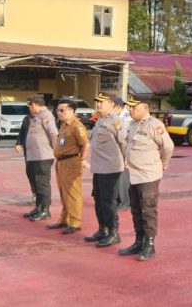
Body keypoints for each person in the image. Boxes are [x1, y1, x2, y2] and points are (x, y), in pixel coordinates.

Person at [118, 96, 174, 261]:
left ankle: (150, 245)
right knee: (135, 209)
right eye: (130, 107)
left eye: (134, 107)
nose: (131, 110)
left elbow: (168, 146)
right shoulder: (133, 124)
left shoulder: (154, 125)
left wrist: (163, 164)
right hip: (134, 175)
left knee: (148, 210)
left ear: (145, 107)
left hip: (148, 175)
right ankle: (139, 242)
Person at [85, 93, 127, 247]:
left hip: (111, 167)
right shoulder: (100, 120)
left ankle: (113, 233)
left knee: (108, 201)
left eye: (101, 102)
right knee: (98, 199)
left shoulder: (116, 121)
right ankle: (102, 229)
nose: (98, 105)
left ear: (111, 104)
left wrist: (125, 162)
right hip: (98, 167)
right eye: (97, 102)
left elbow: (124, 143)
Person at [46, 99, 90, 234]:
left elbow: (85, 144)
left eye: (62, 110)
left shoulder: (77, 126)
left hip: (71, 162)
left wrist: (82, 159)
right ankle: (64, 219)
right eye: (57, 110)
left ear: (71, 111)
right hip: (61, 162)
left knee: (72, 193)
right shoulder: (64, 125)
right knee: (63, 192)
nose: (58, 113)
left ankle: (75, 222)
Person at [24, 94, 58, 222]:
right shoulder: (36, 116)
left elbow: (53, 133)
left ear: (34, 105)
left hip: (42, 156)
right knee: (36, 183)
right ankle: (38, 207)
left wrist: (55, 150)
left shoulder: (46, 115)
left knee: (42, 184)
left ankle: (45, 210)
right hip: (33, 157)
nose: (29, 108)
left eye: (30, 105)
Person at [113, 97, 132, 211]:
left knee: (123, 179)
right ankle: (121, 200)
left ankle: (125, 202)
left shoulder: (124, 118)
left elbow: (123, 137)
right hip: (119, 151)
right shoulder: (120, 117)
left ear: (118, 107)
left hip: (124, 151)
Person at [15, 112, 36, 207]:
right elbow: (22, 132)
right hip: (28, 151)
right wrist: (18, 143)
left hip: (40, 152)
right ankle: (35, 195)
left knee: (40, 175)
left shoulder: (44, 118)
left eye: (32, 105)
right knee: (30, 173)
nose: (31, 108)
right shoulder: (26, 119)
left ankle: (42, 199)